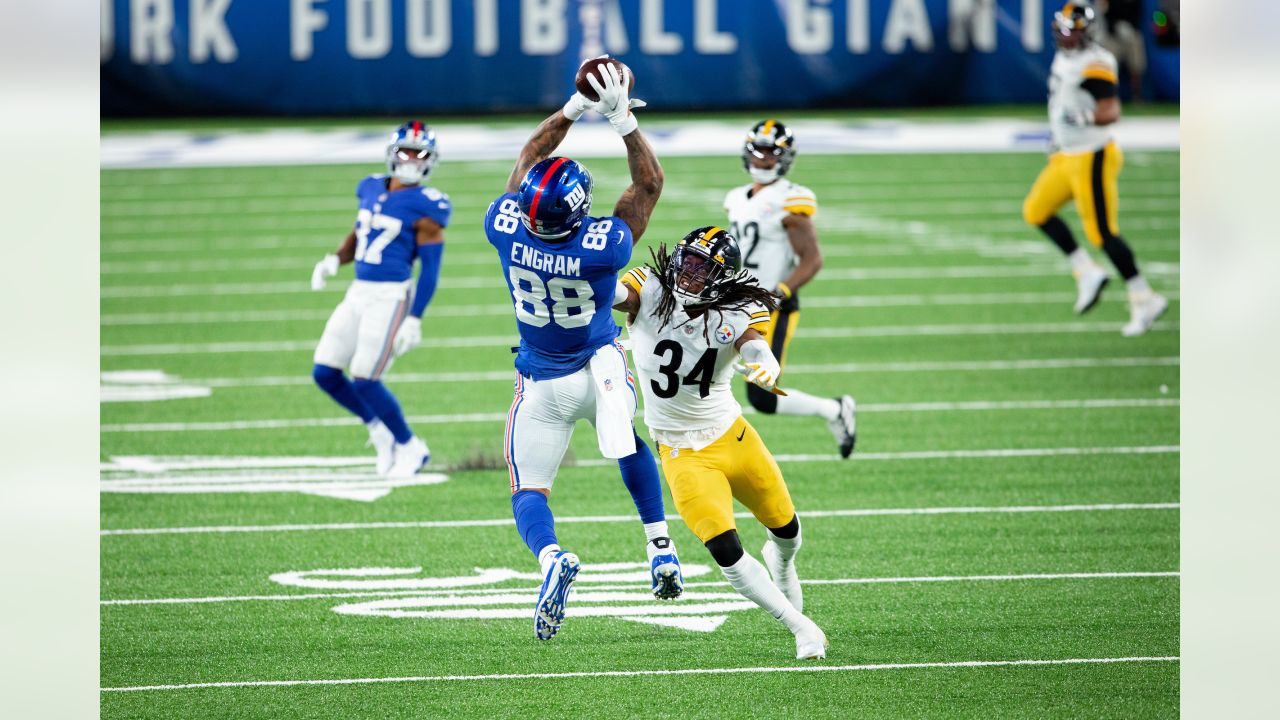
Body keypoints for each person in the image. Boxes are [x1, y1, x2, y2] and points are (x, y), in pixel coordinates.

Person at [483, 59, 682, 641]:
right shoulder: (603, 247)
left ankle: (551, 559)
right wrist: (620, 119)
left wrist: (572, 108)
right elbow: (648, 185)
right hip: (600, 366)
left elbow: (526, 161)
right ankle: (660, 549)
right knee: (626, 446)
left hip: (542, 383)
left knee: (528, 490)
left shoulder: (505, 225)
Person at [616, 226, 827, 660]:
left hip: (733, 437)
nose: (688, 272)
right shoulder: (650, 286)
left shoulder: (739, 306)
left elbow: (754, 346)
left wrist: (765, 365)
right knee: (725, 550)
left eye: (701, 266)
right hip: (679, 450)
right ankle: (801, 627)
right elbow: (620, 294)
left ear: (723, 275)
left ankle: (781, 562)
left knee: (786, 532)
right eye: (687, 259)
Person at [309, 121, 447, 477]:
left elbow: (430, 270)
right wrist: (335, 259)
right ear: (392, 154)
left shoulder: (429, 205)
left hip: (390, 296)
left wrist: (415, 317)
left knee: (366, 378)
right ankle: (378, 428)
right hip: (358, 291)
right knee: (324, 371)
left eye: (421, 154)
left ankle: (410, 445)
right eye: (407, 151)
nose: (413, 159)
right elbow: (361, 232)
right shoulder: (369, 186)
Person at [1022, 1, 1167, 336]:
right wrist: (1057, 138)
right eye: (1063, 31)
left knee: (1102, 233)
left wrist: (1083, 119)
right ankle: (1086, 271)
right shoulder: (1067, 57)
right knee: (1036, 210)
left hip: (1092, 155)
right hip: (1066, 155)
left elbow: (1111, 111)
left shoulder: (1096, 63)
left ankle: (1144, 297)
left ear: (1087, 34)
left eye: (1072, 32)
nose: (1065, 37)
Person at [724, 120, 857, 458]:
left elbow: (812, 260)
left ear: (784, 158)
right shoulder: (737, 198)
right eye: (758, 151)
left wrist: (779, 292)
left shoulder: (791, 199)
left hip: (771, 305)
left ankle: (834, 410)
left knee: (762, 396)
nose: (763, 159)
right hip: (736, 299)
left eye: (771, 153)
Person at [1097, 0, 1147, 101]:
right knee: (1108, 64)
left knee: (1136, 63)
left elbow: (1138, 13)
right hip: (1112, 34)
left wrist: (1129, 27)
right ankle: (1109, 95)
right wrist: (1115, 26)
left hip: (1130, 31)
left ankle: (1136, 96)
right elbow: (1103, 13)